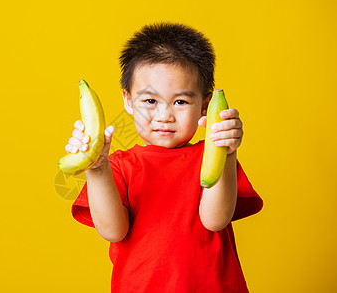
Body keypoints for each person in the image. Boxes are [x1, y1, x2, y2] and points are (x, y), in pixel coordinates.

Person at [64, 22, 263, 292]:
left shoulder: (211, 156)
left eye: (180, 102)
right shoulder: (119, 166)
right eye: (150, 101)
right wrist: (97, 168)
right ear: (128, 100)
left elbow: (214, 219)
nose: (165, 116)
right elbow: (113, 231)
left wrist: (227, 152)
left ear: (205, 105)